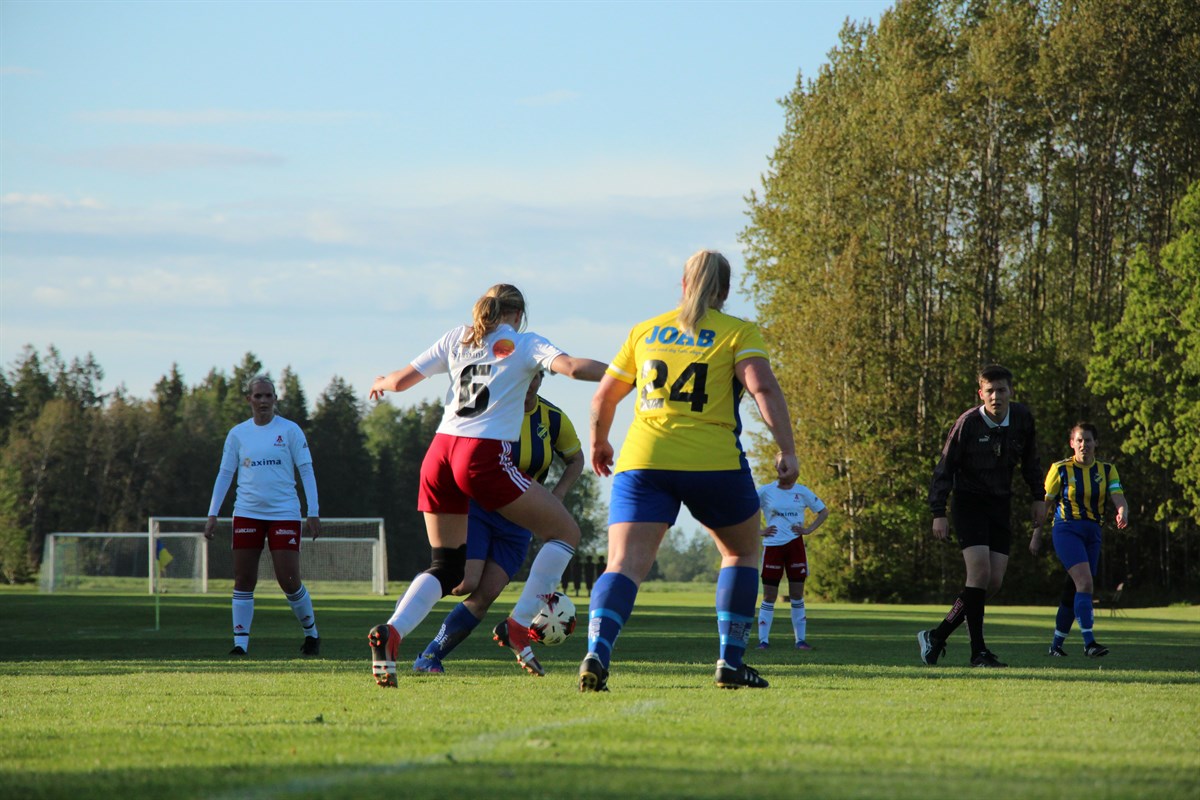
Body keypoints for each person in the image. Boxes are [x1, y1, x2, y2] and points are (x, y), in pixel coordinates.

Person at [366, 283, 606, 687]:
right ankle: (518, 625)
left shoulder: (458, 338)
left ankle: (392, 632)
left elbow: (401, 380)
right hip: (481, 454)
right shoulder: (525, 343)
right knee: (565, 532)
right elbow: (573, 367)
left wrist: (382, 382)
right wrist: (630, 373)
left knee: (447, 567)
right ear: (519, 315)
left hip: (439, 454)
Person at [581, 249, 799, 692]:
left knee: (622, 564)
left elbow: (604, 396)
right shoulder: (738, 332)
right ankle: (730, 662)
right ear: (725, 290)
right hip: (712, 462)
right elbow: (762, 387)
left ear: (682, 285)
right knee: (740, 553)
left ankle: (597, 652)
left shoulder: (645, 331)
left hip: (644, 461)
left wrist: (599, 442)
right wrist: (787, 449)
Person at [411, 370, 585, 673]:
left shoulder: (553, 418)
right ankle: (407, 609)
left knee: (486, 594)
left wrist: (556, 496)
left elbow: (576, 459)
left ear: (541, 378)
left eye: (534, 378)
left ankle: (429, 657)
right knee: (464, 583)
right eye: (524, 377)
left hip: (520, 520)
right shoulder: (495, 409)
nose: (528, 384)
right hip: (480, 508)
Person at [918, 364, 1044, 668]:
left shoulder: (1023, 418)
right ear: (981, 394)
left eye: (1001, 390)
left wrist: (1038, 497)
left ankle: (937, 635)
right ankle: (979, 652)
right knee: (979, 574)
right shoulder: (967, 423)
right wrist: (938, 512)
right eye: (990, 391)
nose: (996, 396)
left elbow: (1031, 461)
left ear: (1011, 392)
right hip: (969, 502)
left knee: (994, 582)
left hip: (1000, 504)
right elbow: (944, 468)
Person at [204, 375, 322, 656]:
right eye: (258, 396)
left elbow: (306, 470)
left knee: (288, 579)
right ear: (249, 400)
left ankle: (311, 633)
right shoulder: (238, 434)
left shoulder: (290, 430)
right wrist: (212, 514)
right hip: (247, 513)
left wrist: (313, 511)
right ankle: (240, 644)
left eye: (269, 395)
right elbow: (225, 474)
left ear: (275, 399)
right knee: (243, 578)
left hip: (284, 513)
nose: (264, 401)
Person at [1032, 422, 1128, 657]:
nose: (1084, 444)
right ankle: (1089, 643)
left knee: (1073, 588)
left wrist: (1122, 511)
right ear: (1072, 444)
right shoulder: (1060, 469)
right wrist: (1036, 535)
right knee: (1084, 583)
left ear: (1096, 443)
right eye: (1079, 440)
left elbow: (1118, 496)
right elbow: (1045, 505)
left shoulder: (1107, 470)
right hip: (1067, 530)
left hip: (1093, 533)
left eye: (1088, 440)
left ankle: (1056, 645)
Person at [755, 476, 828, 650]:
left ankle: (800, 641)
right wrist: (759, 531)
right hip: (773, 547)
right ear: (777, 468)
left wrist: (808, 529)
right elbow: (744, 509)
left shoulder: (802, 491)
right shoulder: (765, 491)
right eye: (781, 465)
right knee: (769, 596)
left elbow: (824, 511)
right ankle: (763, 641)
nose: (785, 468)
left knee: (796, 594)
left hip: (795, 547)